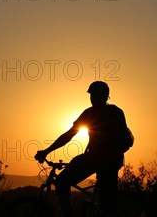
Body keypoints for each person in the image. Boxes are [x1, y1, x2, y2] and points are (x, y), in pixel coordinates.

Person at [35, 81, 130, 217]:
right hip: (114, 160)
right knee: (106, 204)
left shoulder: (90, 113)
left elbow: (68, 135)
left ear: (100, 96)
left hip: (96, 158)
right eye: (92, 95)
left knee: (62, 182)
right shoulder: (117, 111)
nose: (92, 98)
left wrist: (46, 151)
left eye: (93, 95)